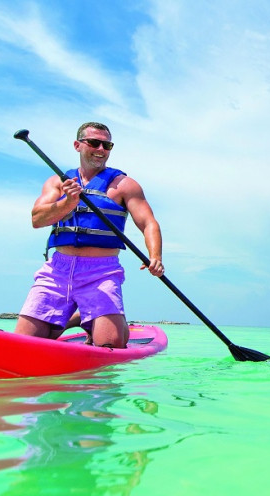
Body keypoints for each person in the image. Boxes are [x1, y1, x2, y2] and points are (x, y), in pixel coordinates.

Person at [15, 121, 164, 348]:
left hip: (101, 271)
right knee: (25, 344)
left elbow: (148, 222)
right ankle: (79, 317)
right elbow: (37, 219)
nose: (101, 149)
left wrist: (155, 256)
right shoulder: (58, 183)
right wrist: (68, 203)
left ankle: (101, 320)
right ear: (77, 145)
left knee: (110, 345)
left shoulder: (125, 185)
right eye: (94, 143)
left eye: (107, 145)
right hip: (58, 270)